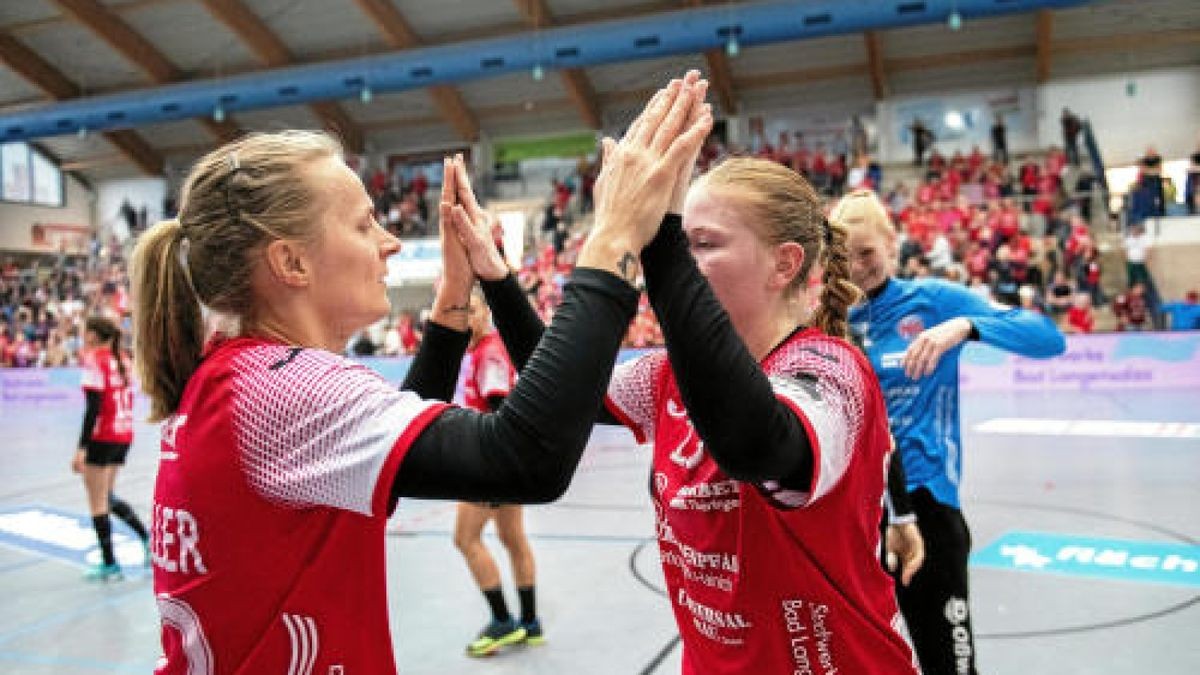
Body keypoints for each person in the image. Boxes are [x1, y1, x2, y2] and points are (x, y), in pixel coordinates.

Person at [132, 74, 712, 674]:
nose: (388, 243)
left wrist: (454, 299)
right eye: (362, 225)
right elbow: (528, 460)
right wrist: (613, 238)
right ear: (291, 261)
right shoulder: (279, 386)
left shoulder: (237, 376)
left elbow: (393, 458)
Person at [447, 138, 919, 669]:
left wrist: (659, 238)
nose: (680, 261)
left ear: (784, 264)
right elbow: (568, 386)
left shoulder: (832, 370)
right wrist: (498, 280)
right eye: (681, 242)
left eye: (704, 244)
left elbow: (756, 443)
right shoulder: (668, 374)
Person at [834, 189, 1065, 675]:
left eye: (867, 253)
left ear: (892, 244)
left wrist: (964, 326)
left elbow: (1048, 337)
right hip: (855, 515)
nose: (857, 268)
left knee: (950, 665)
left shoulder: (933, 301)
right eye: (846, 257)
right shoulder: (834, 320)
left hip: (928, 506)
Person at [453, 292, 545, 656]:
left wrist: (493, 472)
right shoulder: (482, 349)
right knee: (513, 538)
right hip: (506, 464)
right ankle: (530, 621)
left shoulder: (489, 351)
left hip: (487, 464)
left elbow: (501, 409)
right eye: (460, 309)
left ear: (485, 312)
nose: (465, 316)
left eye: (470, 309)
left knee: (465, 539)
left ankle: (502, 621)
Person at [72, 316, 150, 581]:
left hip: (103, 436)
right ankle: (147, 539)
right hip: (123, 435)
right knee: (107, 496)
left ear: (93, 335)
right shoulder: (123, 359)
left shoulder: (95, 359)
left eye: (85, 332)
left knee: (98, 501)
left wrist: (82, 448)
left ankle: (109, 564)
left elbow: (93, 407)